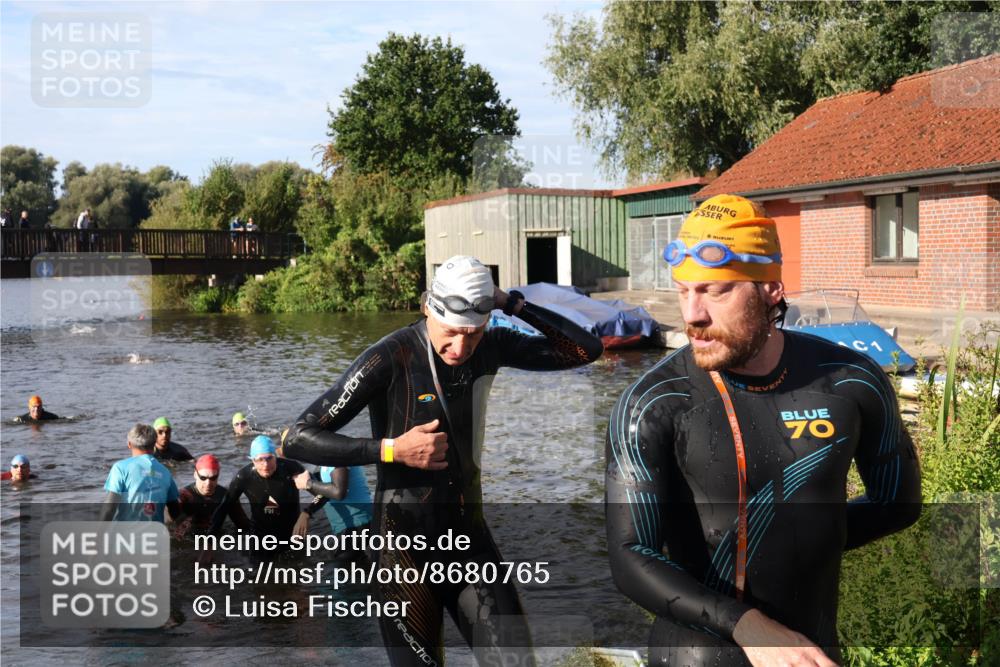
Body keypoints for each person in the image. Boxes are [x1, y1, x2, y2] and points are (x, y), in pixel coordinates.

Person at [605, 194, 922, 667]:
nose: (692, 314)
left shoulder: (852, 380)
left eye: (715, 291)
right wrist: (748, 625)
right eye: (684, 291)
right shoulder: (652, 404)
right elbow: (631, 556)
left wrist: (799, 540)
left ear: (771, 288)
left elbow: (898, 504)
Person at [283, 254, 604, 667]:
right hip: (403, 549)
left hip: (469, 540)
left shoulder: (492, 345)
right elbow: (296, 437)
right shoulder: (391, 356)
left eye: (472, 334)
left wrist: (512, 304)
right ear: (428, 310)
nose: (460, 347)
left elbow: (585, 349)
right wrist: (390, 449)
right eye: (451, 332)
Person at [207, 435, 325, 555]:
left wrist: (306, 513)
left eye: (269, 458)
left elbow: (322, 494)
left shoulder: (291, 468)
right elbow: (223, 508)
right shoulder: (243, 477)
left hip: (292, 534)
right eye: (260, 460)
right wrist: (209, 544)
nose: (265, 465)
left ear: (275, 456)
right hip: (260, 537)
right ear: (253, 460)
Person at [100, 423, 180, 522]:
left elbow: (109, 508)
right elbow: (174, 509)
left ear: (129, 444)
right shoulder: (165, 472)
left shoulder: (120, 468)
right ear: (154, 444)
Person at [293, 463, 373, 561]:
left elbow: (338, 493)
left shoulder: (339, 457)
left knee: (343, 566)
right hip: (344, 527)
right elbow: (323, 495)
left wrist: (308, 483)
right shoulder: (324, 463)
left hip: (358, 524)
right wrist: (307, 513)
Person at [174, 454, 251, 536]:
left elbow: (243, 525)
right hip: (191, 537)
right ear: (195, 474)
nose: (208, 483)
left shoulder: (226, 496)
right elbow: (171, 527)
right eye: (203, 478)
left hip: (216, 536)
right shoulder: (183, 496)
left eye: (213, 478)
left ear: (218, 475)